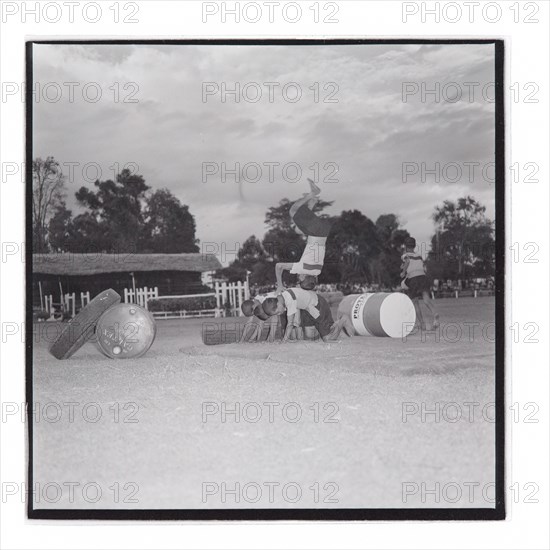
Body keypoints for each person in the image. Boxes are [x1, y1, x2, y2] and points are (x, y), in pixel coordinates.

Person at [275, 179, 333, 292]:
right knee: (293, 210)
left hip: (322, 234)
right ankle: (313, 193)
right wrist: (280, 285)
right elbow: (279, 266)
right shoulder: (302, 267)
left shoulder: (317, 272)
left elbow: (311, 281)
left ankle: (312, 202)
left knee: (298, 229)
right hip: (316, 232)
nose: (298, 277)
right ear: (302, 277)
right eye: (299, 279)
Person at [262, 287, 352, 343]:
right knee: (309, 336)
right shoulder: (282, 296)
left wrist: (284, 341)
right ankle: (330, 329)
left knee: (327, 339)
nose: (280, 313)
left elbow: (290, 324)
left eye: (277, 312)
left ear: (277, 304)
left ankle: (342, 320)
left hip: (317, 305)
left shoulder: (289, 300)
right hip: (308, 308)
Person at [400, 237, 440, 330]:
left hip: (413, 279)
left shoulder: (405, 255)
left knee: (415, 302)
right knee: (426, 300)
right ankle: (435, 313)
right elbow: (417, 265)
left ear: (405, 246)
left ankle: (422, 324)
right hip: (423, 277)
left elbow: (407, 261)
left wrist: (403, 272)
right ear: (414, 246)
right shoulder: (419, 256)